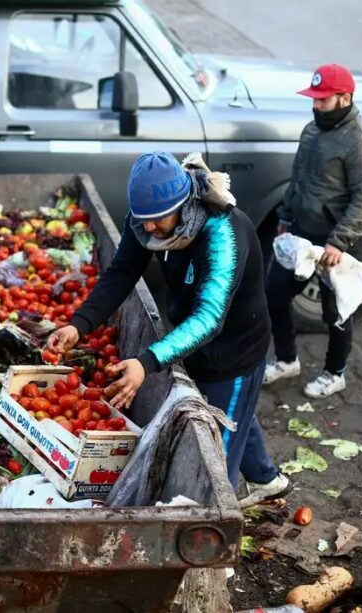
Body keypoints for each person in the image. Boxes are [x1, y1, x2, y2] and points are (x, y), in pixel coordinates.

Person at [47, 151, 289, 506]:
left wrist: (146, 362)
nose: (147, 229)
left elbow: (209, 318)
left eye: (156, 221)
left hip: (232, 352)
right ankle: (267, 480)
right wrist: (79, 325)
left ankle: (213, 530)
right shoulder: (148, 217)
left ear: (183, 204)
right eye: (142, 221)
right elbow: (122, 272)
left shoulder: (223, 235)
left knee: (213, 462)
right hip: (191, 340)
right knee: (233, 413)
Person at [263, 64, 362, 399]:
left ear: (344, 98)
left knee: (336, 311)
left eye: (323, 100)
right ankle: (287, 359)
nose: (316, 106)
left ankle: (335, 372)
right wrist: (286, 216)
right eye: (314, 99)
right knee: (275, 293)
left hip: (341, 242)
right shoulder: (312, 131)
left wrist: (338, 242)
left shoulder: (361, 141)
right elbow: (298, 178)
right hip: (302, 231)